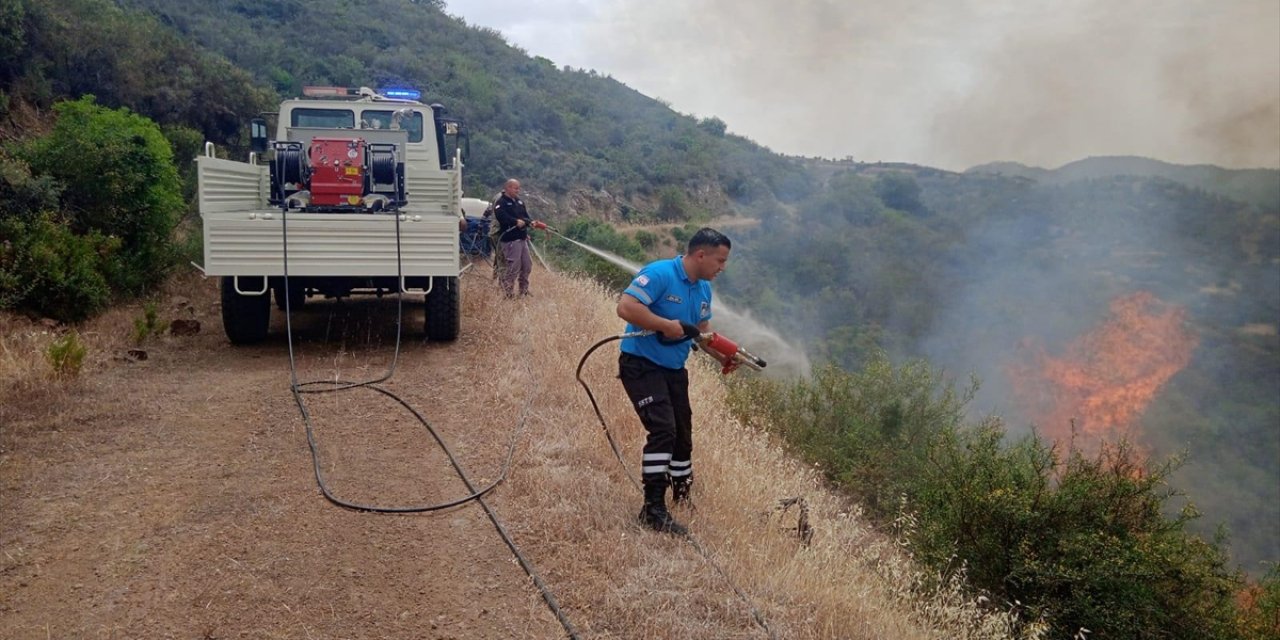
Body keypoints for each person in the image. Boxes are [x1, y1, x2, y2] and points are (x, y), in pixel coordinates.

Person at [615, 228, 737, 535]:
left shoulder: (703, 289)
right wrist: (663, 325)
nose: (722, 267)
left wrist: (722, 356)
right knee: (663, 430)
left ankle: (682, 495)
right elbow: (626, 307)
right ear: (700, 255)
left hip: (673, 369)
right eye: (719, 260)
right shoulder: (659, 273)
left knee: (683, 434)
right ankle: (653, 507)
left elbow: (701, 332)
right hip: (641, 365)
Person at [492, 178, 533, 298]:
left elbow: (526, 217)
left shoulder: (519, 202)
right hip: (510, 240)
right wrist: (515, 222)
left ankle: (523, 290)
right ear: (508, 188)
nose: (518, 190)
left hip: (522, 238)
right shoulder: (501, 203)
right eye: (516, 188)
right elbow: (502, 217)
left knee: (527, 265)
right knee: (513, 266)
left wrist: (530, 223)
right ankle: (508, 292)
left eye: (518, 188)